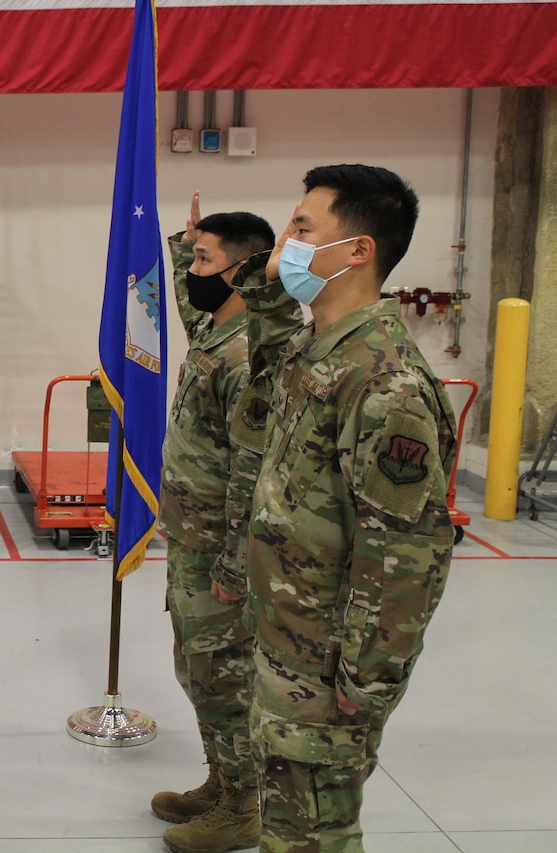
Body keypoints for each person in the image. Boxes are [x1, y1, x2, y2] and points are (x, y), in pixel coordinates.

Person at [232, 164, 458, 852]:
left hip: (330, 664)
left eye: (302, 229)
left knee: (315, 834)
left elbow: (404, 550)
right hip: (288, 642)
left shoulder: (384, 378)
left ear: (359, 250)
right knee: (288, 827)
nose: (284, 247)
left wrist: (368, 675)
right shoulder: (317, 347)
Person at [154, 194, 277, 853]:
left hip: (221, 553)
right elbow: (187, 294)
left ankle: (243, 807)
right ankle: (220, 780)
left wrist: (233, 565)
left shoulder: (248, 355)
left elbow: (254, 472)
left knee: (225, 676)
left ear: (242, 270)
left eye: (205, 259)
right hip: (193, 538)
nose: (194, 270)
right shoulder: (218, 325)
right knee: (197, 669)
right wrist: (185, 242)